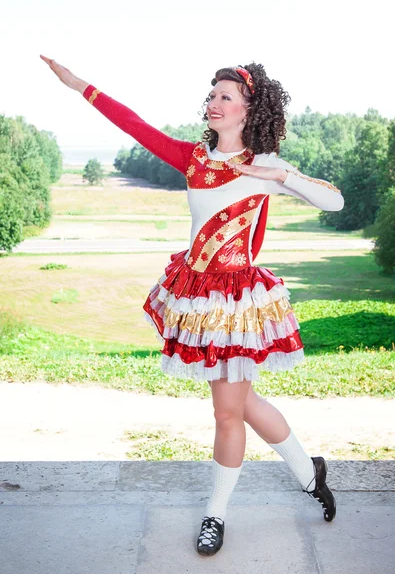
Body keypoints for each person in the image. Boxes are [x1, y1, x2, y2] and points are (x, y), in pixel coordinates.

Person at [40, 56, 342, 557]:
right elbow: (133, 125)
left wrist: (277, 175)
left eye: (226, 96)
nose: (214, 103)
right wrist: (80, 86)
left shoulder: (268, 167)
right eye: (212, 95)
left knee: (227, 412)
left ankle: (214, 516)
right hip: (200, 298)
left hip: (239, 302)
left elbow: (334, 202)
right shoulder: (194, 159)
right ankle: (311, 475)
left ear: (249, 109)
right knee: (241, 405)